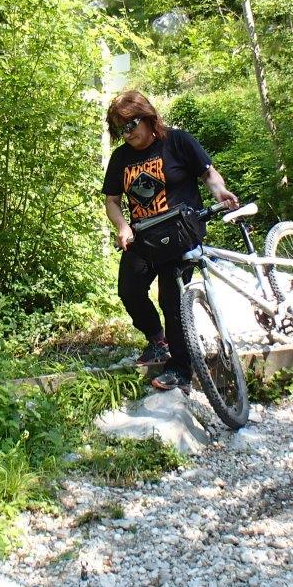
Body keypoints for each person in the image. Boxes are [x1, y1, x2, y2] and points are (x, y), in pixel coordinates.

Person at [102, 90, 239, 391]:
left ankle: (180, 369)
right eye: (120, 129)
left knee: (172, 299)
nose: (127, 134)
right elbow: (112, 201)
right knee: (129, 289)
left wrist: (221, 193)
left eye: (131, 125)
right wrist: (123, 226)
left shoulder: (178, 141)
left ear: (148, 117)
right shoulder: (121, 158)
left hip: (181, 232)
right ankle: (156, 339)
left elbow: (209, 174)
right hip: (143, 236)